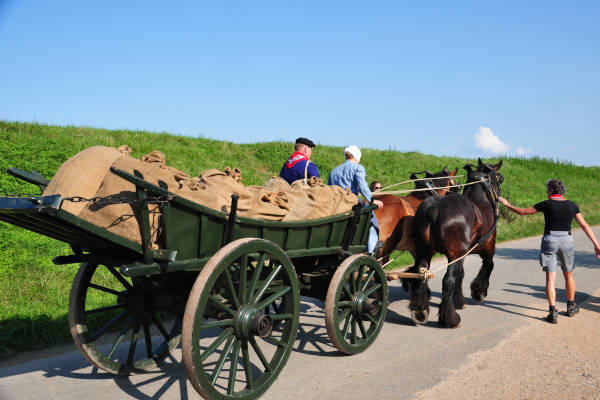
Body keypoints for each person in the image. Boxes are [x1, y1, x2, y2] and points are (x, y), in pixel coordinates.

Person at [499, 179, 600, 324]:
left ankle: (552, 312)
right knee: (568, 276)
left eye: (547, 189)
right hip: (567, 241)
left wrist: (507, 204)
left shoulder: (546, 204)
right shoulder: (572, 205)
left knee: (550, 279)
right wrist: (596, 245)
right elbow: (584, 225)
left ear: (552, 190)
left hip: (550, 240)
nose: (546, 191)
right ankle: (571, 306)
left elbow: (522, 212)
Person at [328, 145, 383, 254]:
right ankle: (371, 251)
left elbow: (330, 189)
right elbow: (362, 186)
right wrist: (372, 200)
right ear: (357, 157)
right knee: (373, 223)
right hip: (351, 205)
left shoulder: (334, 171)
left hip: (335, 206)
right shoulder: (357, 168)